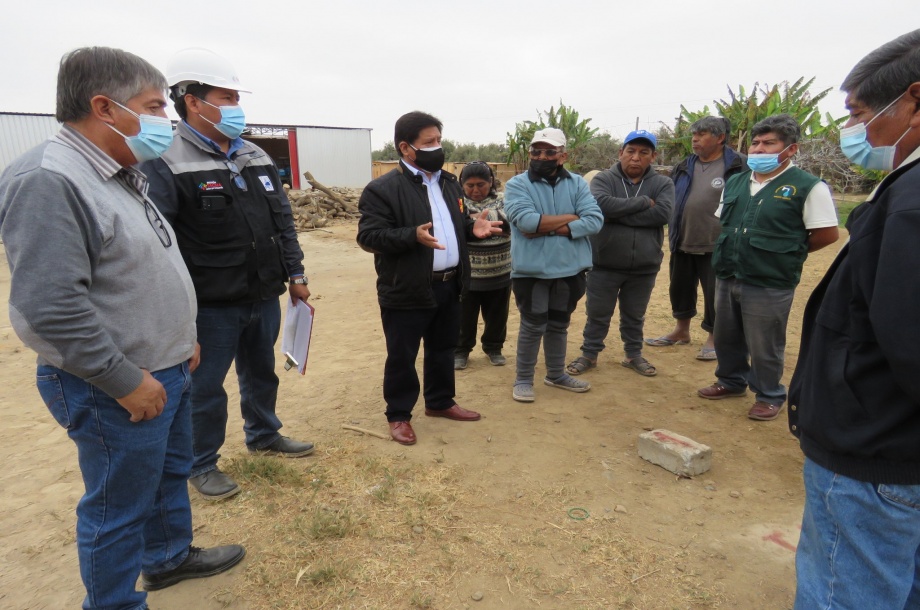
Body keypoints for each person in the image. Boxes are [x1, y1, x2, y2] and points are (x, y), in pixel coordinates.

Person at [0, 46, 244, 610]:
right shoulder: (49, 180)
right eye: (155, 106)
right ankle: (113, 603)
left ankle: (167, 558)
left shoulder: (116, 169)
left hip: (166, 362)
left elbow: (142, 266)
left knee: (167, 474)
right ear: (105, 107)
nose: (164, 119)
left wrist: (182, 338)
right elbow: (50, 309)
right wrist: (124, 379)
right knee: (117, 506)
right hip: (114, 381)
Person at [142, 48, 314, 501]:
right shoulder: (165, 159)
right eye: (228, 96)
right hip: (210, 304)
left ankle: (264, 435)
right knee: (204, 387)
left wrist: (295, 273)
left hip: (263, 294)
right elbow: (160, 242)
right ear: (193, 102)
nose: (236, 106)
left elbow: (283, 221)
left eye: (237, 96)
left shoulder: (254, 154)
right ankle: (202, 464)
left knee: (262, 372)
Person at [789, 30, 920, 609]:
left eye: (861, 114)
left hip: (875, 454)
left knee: (846, 590)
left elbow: (909, 341)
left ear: (913, 102)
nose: (855, 133)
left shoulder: (913, 202)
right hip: (893, 447)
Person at [356, 111, 502, 445]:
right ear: (406, 148)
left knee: (443, 348)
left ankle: (439, 402)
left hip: (450, 283)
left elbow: (452, 225)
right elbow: (369, 237)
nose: (438, 147)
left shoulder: (449, 183)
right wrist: (411, 236)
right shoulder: (382, 189)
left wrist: (472, 229)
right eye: (430, 142)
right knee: (402, 355)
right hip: (406, 288)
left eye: (439, 139)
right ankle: (399, 415)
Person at [697, 114, 839, 421]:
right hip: (728, 271)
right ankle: (730, 381)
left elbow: (827, 234)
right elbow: (726, 222)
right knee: (726, 334)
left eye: (769, 143)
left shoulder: (807, 186)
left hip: (770, 280)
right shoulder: (736, 181)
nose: (759, 150)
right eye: (756, 143)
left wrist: (786, 254)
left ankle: (769, 394)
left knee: (765, 342)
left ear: (791, 149)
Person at [504, 128, 603, 402]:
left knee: (559, 324)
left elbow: (594, 221)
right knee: (533, 325)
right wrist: (572, 219)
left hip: (571, 271)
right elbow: (525, 223)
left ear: (563, 156)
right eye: (536, 151)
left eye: (549, 151)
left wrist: (547, 225)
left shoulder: (578, 184)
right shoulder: (517, 185)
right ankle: (524, 379)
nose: (541, 156)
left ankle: (556, 374)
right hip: (531, 272)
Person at [567, 130, 674, 378]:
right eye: (631, 151)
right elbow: (600, 206)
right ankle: (589, 354)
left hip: (645, 265)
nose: (636, 157)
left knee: (634, 315)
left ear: (653, 156)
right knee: (597, 314)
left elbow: (663, 215)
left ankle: (633, 355)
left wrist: (617, 214)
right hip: (604, 263)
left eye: (643, 153)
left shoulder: (663, 183)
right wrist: (644, 202)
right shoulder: (604, 179)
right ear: (621, 153)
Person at [645, 117, 748, 361]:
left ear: (720, 137)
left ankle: (714, 338)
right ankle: (681, 331)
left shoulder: (738, 164)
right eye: (694, 134)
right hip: (683, 236)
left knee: (716, 293)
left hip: (717, 243)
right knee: (680, 287)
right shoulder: (684, 165)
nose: (695, 139)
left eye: (701, 134)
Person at [454, 161, 512, 370]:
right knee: (463, 317)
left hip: (501, 271)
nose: (476, 190)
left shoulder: (504, 200)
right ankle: (460, 351)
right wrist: (475, 222)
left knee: (497, 314)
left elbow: (511, 222)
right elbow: (453, 225)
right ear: (461, 184)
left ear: (491, 182)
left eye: (481, 185)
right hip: (468, 275)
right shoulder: (456, 202)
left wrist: (471, 221)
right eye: (470, 185)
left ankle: (493, 348)